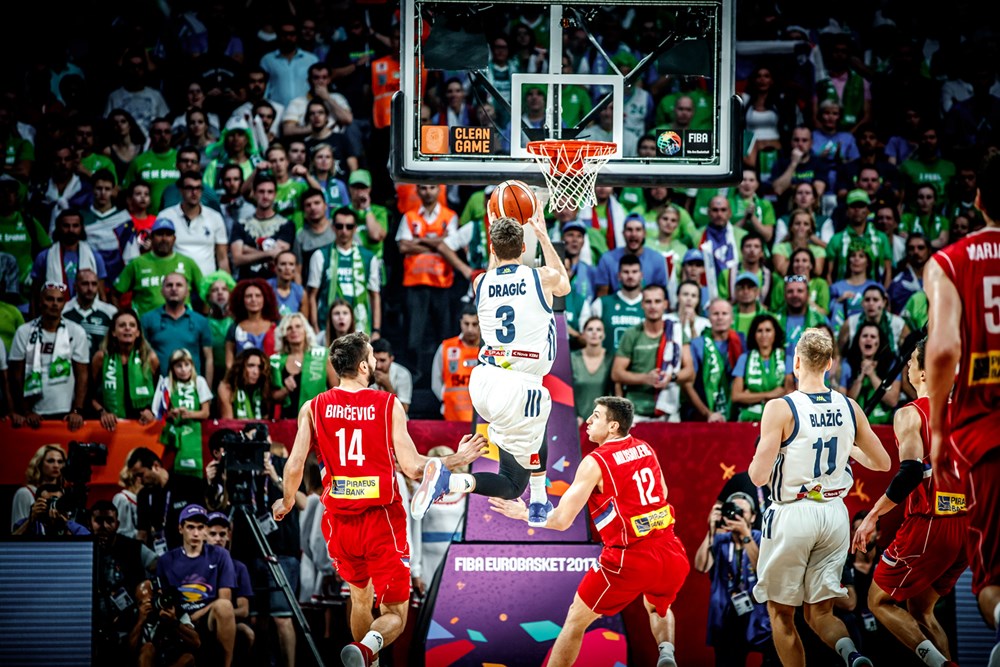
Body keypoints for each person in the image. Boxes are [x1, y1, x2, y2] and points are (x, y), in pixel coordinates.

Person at [271, 332, 486, 667]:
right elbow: (413, 468)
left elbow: (295, 463)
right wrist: (457, 459)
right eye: (371, 356)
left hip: (340, 524)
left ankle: (365, 661)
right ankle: (368, 649)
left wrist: (286, 502)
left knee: (360, 597)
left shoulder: (312, 408)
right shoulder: (387, 404)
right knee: (396, 613)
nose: (374, 361)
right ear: (362, 366)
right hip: (381, 520)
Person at [489, 396, 689, 667]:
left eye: (596, 416)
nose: (590, 420)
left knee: (575, 620)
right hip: (672, 552)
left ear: (613, 426)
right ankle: (666, 653)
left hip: (629, 557)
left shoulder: (596, 461)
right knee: (658, 606)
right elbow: (662, 493)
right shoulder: (645, 448)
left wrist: (523, 514)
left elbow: (561, 521)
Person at [413, 213, 570, 526]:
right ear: (523, 246)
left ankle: (539, 499)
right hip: (518, 384)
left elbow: (497, 268)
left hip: (484, 381)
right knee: (512, 484)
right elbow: (563, 284)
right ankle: (449, 480)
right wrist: (542, 234)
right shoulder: (540, 278)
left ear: (492, 250)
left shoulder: (481, 282)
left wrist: (496, 235)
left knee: (538, 419)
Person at [748, 328, 891, 667]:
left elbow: (758, 477)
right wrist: (847, 447)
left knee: (781, 614)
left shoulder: (780, 407)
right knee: (821, 613)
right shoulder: (850, 406)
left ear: (796, 362)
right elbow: (883, 463)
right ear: (829, 364)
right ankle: (852, 654)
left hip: (793, 513)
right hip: (834, 515)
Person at [925, 152, 1000, 666]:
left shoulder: (950, 262)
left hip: (986, 433)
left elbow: (944, 349)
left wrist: (937, 429)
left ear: (977, 199)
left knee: (992, 580)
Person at [851, 338, 966, 667]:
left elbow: (911, 472)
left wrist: (873, 515)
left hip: (931, 523)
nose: (907, 366)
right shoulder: (965, 412)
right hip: (967, 528)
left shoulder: (910, 413)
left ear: (925, 373)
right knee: (921, 610)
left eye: (912, 362)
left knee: (878, 601)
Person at [694, 491, 776, 666]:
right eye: (732, 510)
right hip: (727, 617)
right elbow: (700, 567)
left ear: (753, 517)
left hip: (759, 617)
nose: (735, 514)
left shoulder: (761, 538)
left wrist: (746, 535)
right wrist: (711, 532)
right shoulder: (720, 540)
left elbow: (764, 572)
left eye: (741, 511)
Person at [156, 504, 236, 667]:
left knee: (224, 606)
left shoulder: (220, 555)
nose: (196, 533)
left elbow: (225, 599)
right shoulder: (166, 560)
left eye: (200, 527)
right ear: (181, 528)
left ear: (206, 530)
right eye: (190, 527)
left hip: (208, 618)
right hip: (179, 618)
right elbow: (163, 599)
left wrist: (197, 615)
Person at [8, 282, 89, 428]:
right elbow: (16, 376)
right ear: (40, 302)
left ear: (64, 304)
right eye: (50, 299)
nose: (55, 304)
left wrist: (77, 411)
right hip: (33, 413)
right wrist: (25, 411)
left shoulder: (76, 332)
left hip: (66, 413)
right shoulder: (24, 332)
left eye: (59, 300)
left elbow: (82, 375)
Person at [611, 285, 694, 423]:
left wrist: (671, 377)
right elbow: (616, 373)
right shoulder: (631, 334)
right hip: (636, 414)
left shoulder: (676, 333)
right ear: (642, 304)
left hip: (669, 412)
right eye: (648, 302)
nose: (653, 306)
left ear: (665, 304)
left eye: (657, 301)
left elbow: (690, 372)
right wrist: (645, 378)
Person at [306, 206, 380, 336]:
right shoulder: (320, 255)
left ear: (355, 228)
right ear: (333, 227)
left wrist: (376, 330)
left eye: (349, 226)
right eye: (339, 226)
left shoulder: (368, 258)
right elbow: (312, 295)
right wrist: (315, 328)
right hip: (327, 328)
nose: (344, 231)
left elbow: (374, 295)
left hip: (360, 328)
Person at [112, 218, 203, 317]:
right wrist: (123, 318)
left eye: (168, 234)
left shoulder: (187, 263)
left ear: (174, 239)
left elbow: (206, 292)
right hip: (145, 324)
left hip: (182, 323)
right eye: (159, 234)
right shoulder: (137, 263)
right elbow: (115, 294)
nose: (164, 239)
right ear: (151, 237)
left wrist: (205, 315)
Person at [128, 447, 207, 552]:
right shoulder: (143, 495)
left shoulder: (190, 485)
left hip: (190, 553)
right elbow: (142, 533)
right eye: (136, 477)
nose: (139, 481)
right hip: (159, 556)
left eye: (141, 475)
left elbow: (205, 522)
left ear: (156, 466)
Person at [91, 309, 158, 430]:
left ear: (138, 332)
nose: (127, 328)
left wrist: (151, 411)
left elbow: (160, 394)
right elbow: (89, 395)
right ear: (113, 332)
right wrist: (103, 413)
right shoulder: (101, 357)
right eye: (122, 325)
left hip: (142, 426)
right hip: (111, 426)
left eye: (132, 325)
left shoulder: (150, 358)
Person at [140, 273, 213, 383]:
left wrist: (206, 390)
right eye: (169, 285)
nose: (174, 289)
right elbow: (141, 354)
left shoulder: (201, 321)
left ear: (187, 292)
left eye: (179, 285)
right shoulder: (147, 319)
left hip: (192, 388)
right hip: (158, 387)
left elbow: (209, 358)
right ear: (162, 291)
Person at [155, 171, 229, 276]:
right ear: (181, 190)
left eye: (198, 188)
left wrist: (227, 283)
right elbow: (158, 254)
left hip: (207, 281)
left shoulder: (215, 217)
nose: (194, 192)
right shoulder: (165, 216)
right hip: (175, 281)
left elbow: (222, 258)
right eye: (190, 188)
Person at [152, 348, 213, 475]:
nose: (183, 369)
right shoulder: (166, 382)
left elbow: (206, 413)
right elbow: (160, 413)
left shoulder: (199, 381)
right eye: (179, 366)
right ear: (172, 368)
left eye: (187, 365)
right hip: (172, 434)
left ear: (192, 366)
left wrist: (189, 414)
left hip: (195, 432)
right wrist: (171, 413)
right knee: (171, 471)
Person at [683, 298, 743, 422]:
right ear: (709, 318)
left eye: (724, 313)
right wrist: (707, 413)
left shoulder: (741, 342)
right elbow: (687, 385)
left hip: (736, 413)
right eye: (715, 314)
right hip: (704, 415)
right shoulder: (697, 344)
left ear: (732, 318)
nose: (720, 318)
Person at [30, 208, 107, 302]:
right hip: (54, 308)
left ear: (82, 228)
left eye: (75, 226)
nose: (71, 230)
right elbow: (35, 294)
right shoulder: (44, 257)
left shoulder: (95, 257)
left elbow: (101, 294)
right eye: (66, 226)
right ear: (58, 227)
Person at [270, 312, 336, 419]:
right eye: (289, 328)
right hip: (287, 421)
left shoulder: (323, 355)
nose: (294, 330)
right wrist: (286, 390)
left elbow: (335, 392)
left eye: (298, 326)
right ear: (284, 334)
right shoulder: (276, 361)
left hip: (316, 419)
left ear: (305, 330)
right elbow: (271, 397)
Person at [231, 174, 296, 281]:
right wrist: (269, 253)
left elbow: (279, 256)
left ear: (275, 194)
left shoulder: (286, 225)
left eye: (270, 192)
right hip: (246, 283)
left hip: (274, 284)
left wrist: (247, 250)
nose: (265, 196)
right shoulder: (240, 224)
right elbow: (237, 259)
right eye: (261, 191)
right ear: (254, 193)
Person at [731, 313, 794, 422]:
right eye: (759, 331)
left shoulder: (785, 358)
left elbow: (789, 392)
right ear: (754, 334)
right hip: (749, 420)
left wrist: (751, 396)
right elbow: (736, 396)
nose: (764, 335)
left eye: (768, 330)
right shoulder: (744, 359)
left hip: (778, 419)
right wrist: (769, 395)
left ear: (775, 333)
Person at [581, 254, 645, 352]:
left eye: (634, 272)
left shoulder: (650, 304)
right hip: (608, 360)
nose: (630, 276)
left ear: (641, 275)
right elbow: (586, 335)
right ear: (619, 276)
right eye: (626, 272)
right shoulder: (602, 303)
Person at [430, 305, 481, 422]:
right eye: (466, 324)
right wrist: (444, 398)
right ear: (460, 323)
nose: (470, 329)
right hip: (452, 415)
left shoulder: (488, 349)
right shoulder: (447, 347)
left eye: (475, 324)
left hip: (482, 417)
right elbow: (436, 381)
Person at [122, 118, 178, 214]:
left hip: (177, 218)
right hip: (147, 219)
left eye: (167, 132)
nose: (163, 135)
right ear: (150, 135)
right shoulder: (139, 161)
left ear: (171, 135)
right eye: (158, 132)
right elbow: (126, 191)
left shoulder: (181, 159)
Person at [62, 267, 118, 357]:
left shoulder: (110, 312)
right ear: (75, 286)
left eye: (94, 284)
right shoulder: (64, 311)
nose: (90, 288)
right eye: (85, 284)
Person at [9, 443, 65, 531]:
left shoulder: (64, 493)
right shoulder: (25, 493)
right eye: (50, 461)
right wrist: (31, 518)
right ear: (39, 463)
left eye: (60, 462)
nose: (56, 466)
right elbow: (16, 533)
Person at [224, 278, 279, 367]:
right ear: (242, 299)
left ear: (265, 298)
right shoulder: (234, 328)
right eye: (249, 296)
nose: (253, 299)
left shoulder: (276, 326)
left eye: (258, 296)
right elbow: (229, 363)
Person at [571, 317, 612, 426]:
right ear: (583, 334)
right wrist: (572, 415)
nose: (594, 332)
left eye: (598, 329)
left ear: (604, 335)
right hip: (578, 423)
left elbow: (616, 393)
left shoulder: (611, 359)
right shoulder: (572, 358)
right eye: (590, 329)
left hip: (603, 424)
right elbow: (565, 390)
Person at [11, 483, 90, 536]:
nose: (53, 506)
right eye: (49, 502)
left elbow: (87, 538)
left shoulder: (70, 526)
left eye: (57, 501)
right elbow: (12, 543)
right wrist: (31, 519)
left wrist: (66, 523)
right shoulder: (28, 524)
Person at [217, 347, 273, 419]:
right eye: (251, 366)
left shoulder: (265, 387)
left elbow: (266, 419)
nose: (256, 372)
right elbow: (228, 422)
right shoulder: (227, 388)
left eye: (260, 367)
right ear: (240, 367)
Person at [370, 338, 413, 414]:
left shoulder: (402, 374)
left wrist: (387, 385)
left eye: (382, 360)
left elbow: (403, 410)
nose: (378, 366)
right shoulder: (363, 372)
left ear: (391, 359)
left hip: (395, 419)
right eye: (375, 361)